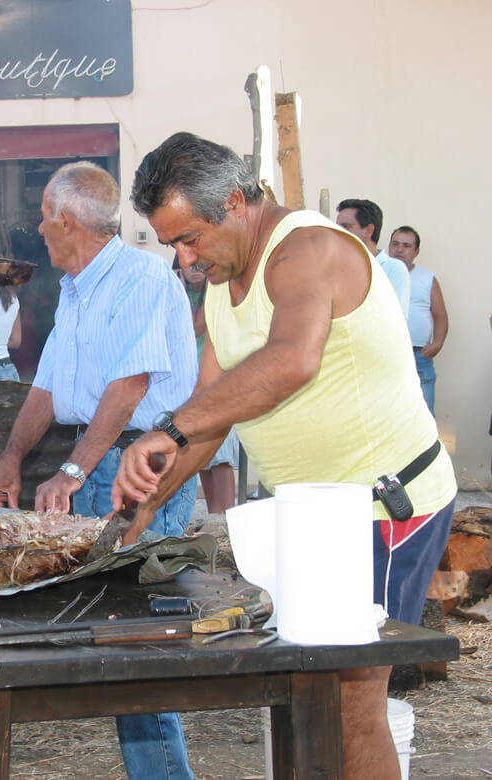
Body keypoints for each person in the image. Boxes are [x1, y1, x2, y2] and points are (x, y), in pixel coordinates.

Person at [115, 132, 457, 779]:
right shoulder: (222, 282)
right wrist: (145, 501)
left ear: (238, 202)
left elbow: (292, 360)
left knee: (352, 696)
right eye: (172, 245)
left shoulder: (309, 249)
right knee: (304, 690)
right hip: (311, 516)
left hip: (387, 504)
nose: (185, 260)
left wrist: (173, 429)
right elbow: (213, 415)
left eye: (191, 239)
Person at [0, 161, 199, 780]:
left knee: (135, 640)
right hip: (99, 459)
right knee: (110, 634)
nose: (38, 228)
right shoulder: (74, 286)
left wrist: (71, 470)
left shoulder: (143, 276)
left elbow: (131, 384)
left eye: (43, 215)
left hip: (137, 464)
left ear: (66, 220)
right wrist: (9, 462)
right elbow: (48, 388)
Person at [174, 256, 239, 513]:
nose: (196, 271)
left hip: (217, 382)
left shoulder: (216, 289)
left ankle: (227, 516)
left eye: (201, 265)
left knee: (221, 455)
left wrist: (179, 289)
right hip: (190, 385)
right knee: (201, 455)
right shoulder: (178, 291)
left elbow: (195, 327)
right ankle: (214, 516)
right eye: (190, 266)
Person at [389, 225, 447, 415]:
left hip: (418, 355)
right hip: (386, 354)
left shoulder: (427, 278)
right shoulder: (380, 273)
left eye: (406, 246)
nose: (399, 249)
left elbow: (440, 315)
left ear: (416, 252)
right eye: (395, 244)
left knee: (424, 414)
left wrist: (437, 344)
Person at [335, 198, 410, 317]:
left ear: (369, 230)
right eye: (336, 227)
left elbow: (396, 318)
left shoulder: (393, 269)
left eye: (346, 227)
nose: (337, 232)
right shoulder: (337, 268)